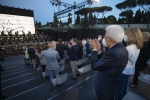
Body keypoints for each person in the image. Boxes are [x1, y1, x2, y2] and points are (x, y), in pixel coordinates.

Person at [89, 25, 128, 100]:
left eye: (105, 36)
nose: (104, 38)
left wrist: (94, 49)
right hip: (111, 86)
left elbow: (95, 65)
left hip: (105, 88)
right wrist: (99, 50)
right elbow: (106, 62)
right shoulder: (120, 48)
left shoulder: (114, 52)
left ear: (111, 40)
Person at [115, 28, 143, 100]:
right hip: (130, 70)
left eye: (126, 34)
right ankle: (124, 97)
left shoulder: (129, 48)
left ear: (131, 36)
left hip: (124, 71)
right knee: (124, 86)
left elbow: (120, 60)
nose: (124, 35)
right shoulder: (136, 46)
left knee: (119, 88)